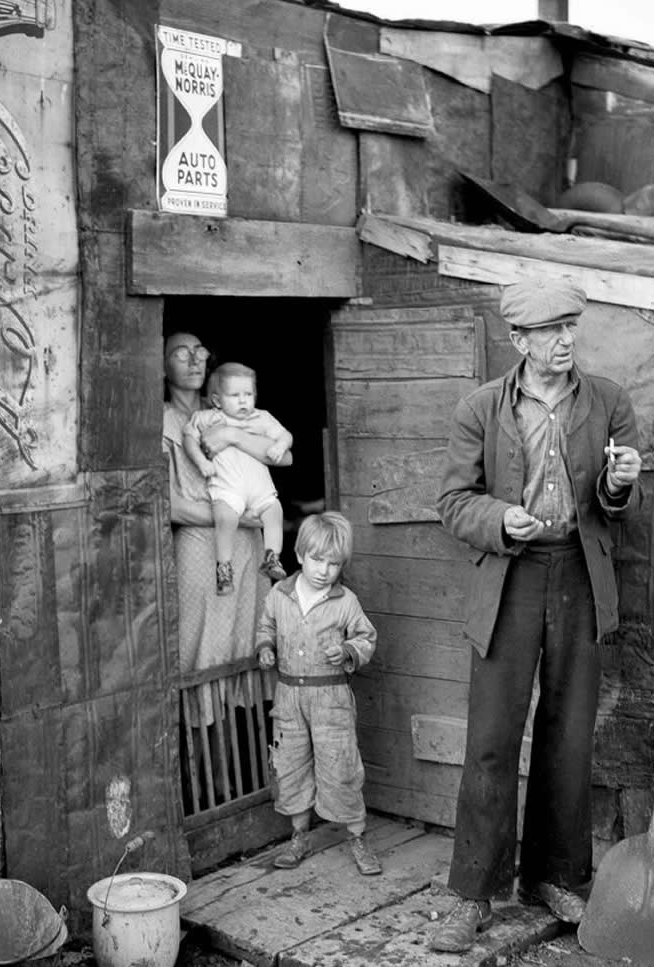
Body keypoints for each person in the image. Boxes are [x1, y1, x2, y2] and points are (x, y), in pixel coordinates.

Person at [429, 279, 642, 953]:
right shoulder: (481, 408)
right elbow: (454, 502)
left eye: (570, 327)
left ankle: (553, 875)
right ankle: (473, 893)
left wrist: (619, 482)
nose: (565, 340)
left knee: (568, 733)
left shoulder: (607, 400)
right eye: (550, 330)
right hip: (510, 578)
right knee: (491, 739)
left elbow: (615, 507)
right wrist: (500, 517)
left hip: (578, 575)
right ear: (518, 340)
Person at [163, 332, 292, 802]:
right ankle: (207, 787)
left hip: (248, 544)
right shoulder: (165, 420)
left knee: (249, 644)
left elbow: (281, 454)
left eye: (201, 351)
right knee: (203, 654)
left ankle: (256, 774)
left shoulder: (235, 410)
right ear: (160, 365)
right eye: (181, 352)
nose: (195, 358)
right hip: (202, 545)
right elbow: (170, 505)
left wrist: (236, 434)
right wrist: (240, 517)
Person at [255, 511, 382, 877]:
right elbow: (266, 625)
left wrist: (347, 651)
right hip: (288, 697)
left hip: (331, 699)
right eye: (317, 559)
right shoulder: (279, 594)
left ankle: (356, 837)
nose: (324, 570)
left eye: (334, 563)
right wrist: (265, 647)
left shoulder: (345, 602)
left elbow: (366, 637)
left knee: (340, 766)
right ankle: (299, 836)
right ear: (298, 553)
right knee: (291, 764)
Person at [183, 361, 292, 594]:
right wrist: (201, 462)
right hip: (227, 488)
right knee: (225, 519)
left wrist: (280, 445)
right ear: (217, 401)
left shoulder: (261, 418)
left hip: (259, 489)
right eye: (235, 395)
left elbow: (286, 437)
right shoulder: (208, 418)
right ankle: (224, 568)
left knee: (275, 512)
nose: (243, 400)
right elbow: (189, 438)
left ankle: (272, 557)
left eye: (248, 394)